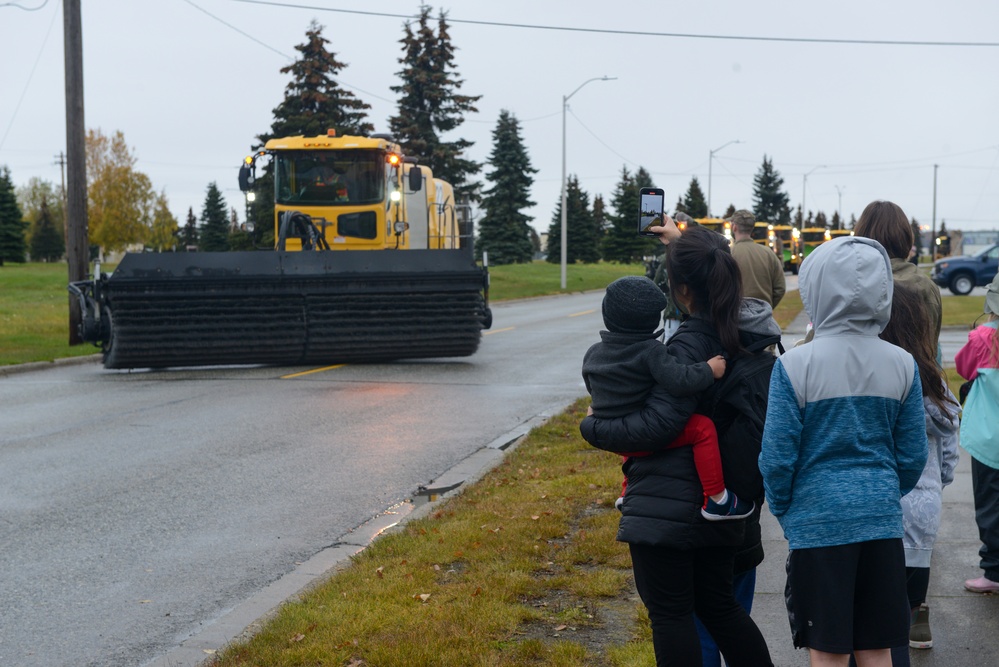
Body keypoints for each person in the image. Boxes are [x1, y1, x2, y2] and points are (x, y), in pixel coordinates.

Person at [580, 220, 776, 667]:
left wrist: (591, 428)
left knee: (671, 615)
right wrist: (680, 242)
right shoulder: (745, 328)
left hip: (669, 507)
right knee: (720, 609)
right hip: (721, 499)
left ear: (682, 290)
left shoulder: (686, 346)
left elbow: (657, 426)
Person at [759, 235, 929, 667]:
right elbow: (911, 454)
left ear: (814, 288)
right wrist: (884, 493)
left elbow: (777, 456)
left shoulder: (794, 365)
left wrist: (785, 508)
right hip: (880, 521)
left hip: (817, 523)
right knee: (877, 649)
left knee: (828, 649)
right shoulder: (902, 363)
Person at [582, 275, 754, 521]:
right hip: (639, 439)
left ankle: (627, 490)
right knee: (702, 429)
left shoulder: (594, 352)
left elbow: (591, 385)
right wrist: (708, 369)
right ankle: (718, 499)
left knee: (628, 414)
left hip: (610, 433)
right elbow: (679, 380)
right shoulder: (651, 351)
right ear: (653, 319)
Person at [877, 282, 960, 652]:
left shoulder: (877, 376)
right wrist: (936, 484)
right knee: (901, 618)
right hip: (922, 512)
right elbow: (947, 458)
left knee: (869, 623)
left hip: (878, 510)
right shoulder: (934, 382)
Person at [956, 273, 999, 595]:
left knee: (989, 505)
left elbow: (963, 368)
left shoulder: (984, 338)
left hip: (989, 438)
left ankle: (994, 571)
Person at [727, 209, 786, 308]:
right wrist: (766, 308)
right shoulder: (768, 254)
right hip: (764, 318)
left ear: (734, 227)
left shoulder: (728, 254)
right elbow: (780, 288)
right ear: (752, 228)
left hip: (735, 317)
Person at [652, 212, 695, 338]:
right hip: (691, 313)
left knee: (671, 341)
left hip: (676, 311)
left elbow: (657, 283)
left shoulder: (668, 259)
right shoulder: (703, 257)